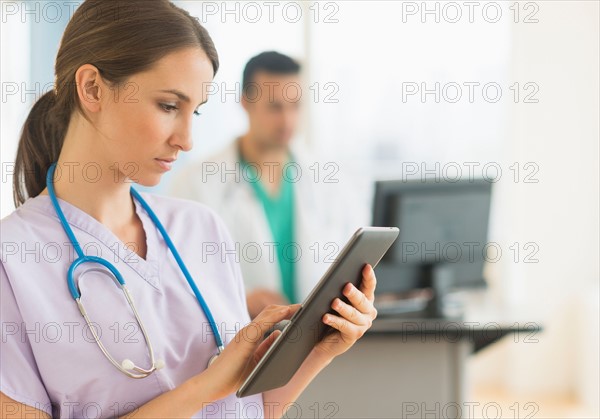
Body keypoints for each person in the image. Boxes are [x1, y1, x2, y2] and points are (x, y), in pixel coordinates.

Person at [0, 1, 379, 418]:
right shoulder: (12, 259)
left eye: (195, 111)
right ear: (92, 88)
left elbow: (244, 410)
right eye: (168, 106)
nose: (187, 139)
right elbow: (212, 395)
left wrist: (319, 351)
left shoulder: (201, 228)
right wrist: (204, 388)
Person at [168, 51, 369, 319]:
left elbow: (359, 258)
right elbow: (178, 273)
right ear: (245, 103)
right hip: (236, 340)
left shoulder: (331, 181)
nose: (287, 120)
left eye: (295, 106)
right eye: (275, 107)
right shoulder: (195, 183)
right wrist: (243, 295)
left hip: (318, 335)